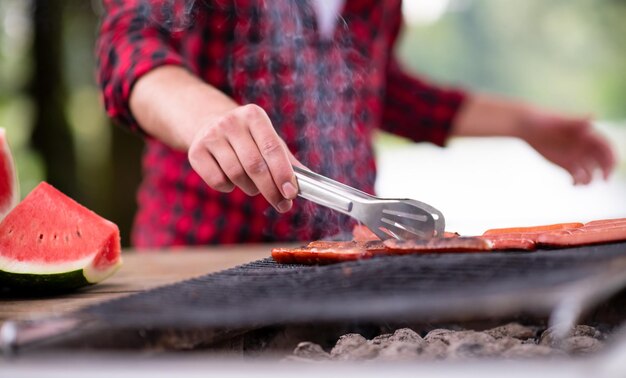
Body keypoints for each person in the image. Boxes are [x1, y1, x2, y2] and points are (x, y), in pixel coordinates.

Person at [96, 0, 616, 248]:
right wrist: (202, 115)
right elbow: (129, 42)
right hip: (201, 253)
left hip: (347, 251)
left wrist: (523, 122)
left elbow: (381, 90)